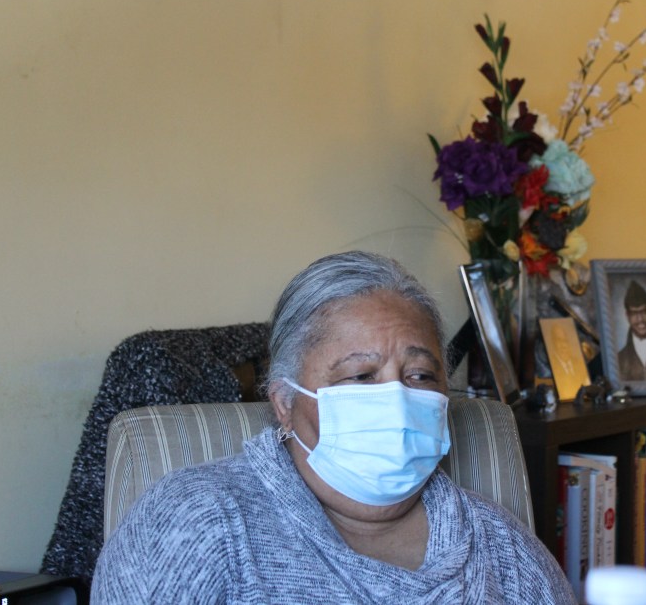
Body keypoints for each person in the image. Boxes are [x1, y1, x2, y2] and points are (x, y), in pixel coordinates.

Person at [91, 250, 575, 604]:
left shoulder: (501, 547)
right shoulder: (197, 520)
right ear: (284, 402)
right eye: (361, 377)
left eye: (420, 375)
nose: (398, 398)